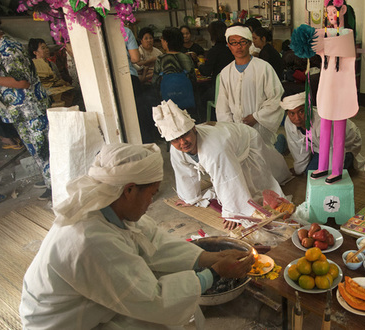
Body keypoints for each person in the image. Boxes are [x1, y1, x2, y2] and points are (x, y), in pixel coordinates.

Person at [20, 143, 254, 329]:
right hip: (65, 323)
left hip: (91, 307)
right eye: (151, 194)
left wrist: (211, 257)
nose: (152, 202)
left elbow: (156, 242)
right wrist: (215, 273)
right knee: (157, 319)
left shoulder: (110, 210)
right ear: (129, 190)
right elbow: (153, 299)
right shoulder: (90, 240)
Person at [152, 100, 287, 230]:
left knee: (262, 183)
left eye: (185, 134)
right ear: (170, 141)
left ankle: (279, 145)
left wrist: (232, 212)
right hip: (226, 140)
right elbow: (184, 172)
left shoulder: (215, 148)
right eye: (175, 139)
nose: (182, 142)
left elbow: (228, 178)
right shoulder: (177, 149)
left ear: (194, 129)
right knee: (232, 174)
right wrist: (190, 197)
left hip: (246, 139)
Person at [215, 24, 291, 184]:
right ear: (228, 45)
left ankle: (278, 151)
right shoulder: (226, 73)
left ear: (249, 43)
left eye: (242, 42)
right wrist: (230, 127)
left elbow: (276, 97)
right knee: (241, 163)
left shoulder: (263, 68)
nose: (238, 46)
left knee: (264, 159)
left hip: (260, 125)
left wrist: (256, 117)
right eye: (233, 42)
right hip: (236, 126)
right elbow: (222, 105)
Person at [0, 15, 53, 200]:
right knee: (35, 149)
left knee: (44, 148)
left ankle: (55, 185)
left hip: (31, 109)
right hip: (18, 111)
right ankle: (49, 178)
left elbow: (22, 82)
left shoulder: (9, 48)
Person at [310, 0, 359, 184]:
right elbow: (318, 46)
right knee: (324, 129)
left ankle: (337, 169)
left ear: (343, 10)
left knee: (339, 133)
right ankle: (322, 166)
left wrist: (322, 38)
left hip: (341, 88)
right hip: (327, 85)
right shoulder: (326, 33)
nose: (331, 17)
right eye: (328, 13)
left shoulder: (347, 34)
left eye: (334, 12)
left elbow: (337, 45)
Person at [281, 92, 363, 175]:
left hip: (344, 144)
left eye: (301, 111)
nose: (297, 118)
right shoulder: (289, 122)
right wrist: (299, 169)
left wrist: (332, 175)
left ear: (308, 108)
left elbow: (333, 149)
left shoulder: (322, 122)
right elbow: (296, 147)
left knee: (314, 172)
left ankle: (349, 158)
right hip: (320, 147)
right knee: (308, 172)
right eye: (292, 113)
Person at [153, 27, 198, 120]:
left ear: (166, 42)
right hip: (186, 102)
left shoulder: (160, 59)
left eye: (162, 39)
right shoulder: (186, 57)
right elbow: (193, 79)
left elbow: (155, 82)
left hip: (167, 104)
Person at [197, 20, 234, 121]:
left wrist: (200, 65)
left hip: (220, 89)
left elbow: (206, 72)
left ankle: (207, 122)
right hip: (233, 87)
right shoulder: (232, 49)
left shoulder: (214, 51)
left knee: (200, 96)